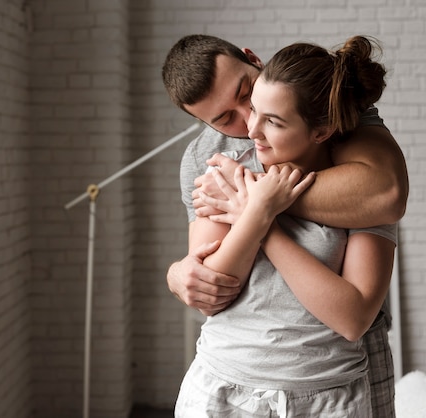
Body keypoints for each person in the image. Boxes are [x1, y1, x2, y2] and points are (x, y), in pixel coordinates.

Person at [162, 34, 407, 417]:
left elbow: (385, 194)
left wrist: (255, 205)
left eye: (246, 93)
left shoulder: (331, 111)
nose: (249, 123)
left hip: (332, 373)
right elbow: (211, 283)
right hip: (231, 371)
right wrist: (178, 274)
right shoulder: (210, 157)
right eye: (225, 119)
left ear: (252, 58)